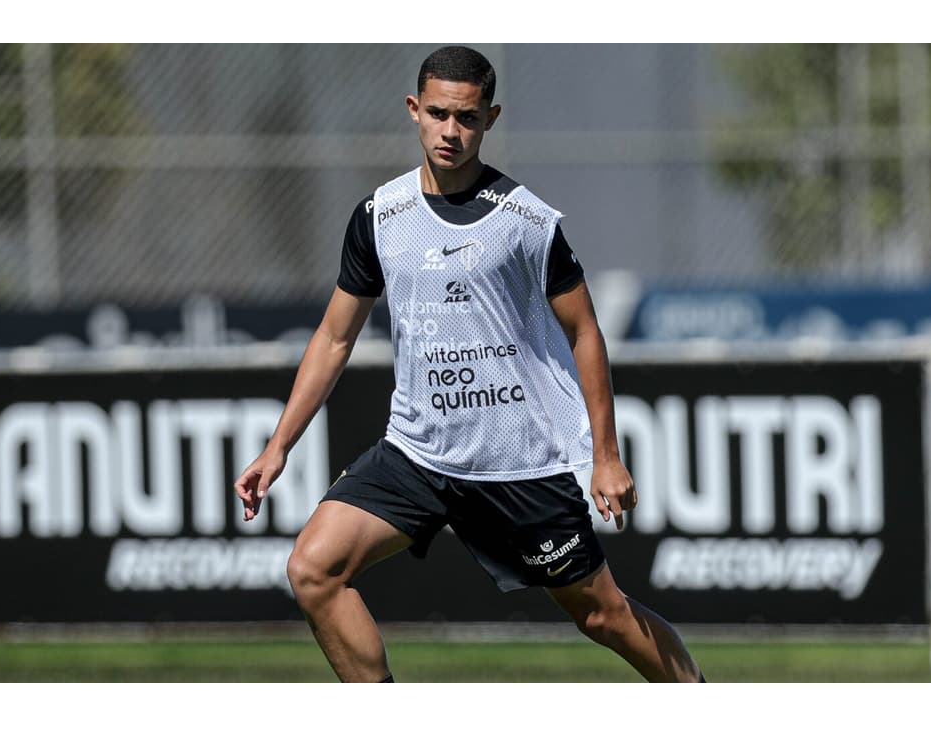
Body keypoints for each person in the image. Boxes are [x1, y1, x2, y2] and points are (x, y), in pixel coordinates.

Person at [234, 45, 705, 683]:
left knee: (603, 617)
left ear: (490, 118)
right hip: (418, 454)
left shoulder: (526, 222)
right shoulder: (380, 217)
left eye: (467, 118)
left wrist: (605, 453)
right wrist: (277, 446)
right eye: (438, 114)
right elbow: (334, 337)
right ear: (414, 111)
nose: (451, 131)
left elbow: (585, 331)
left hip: (517, 462)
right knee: (313, 569)